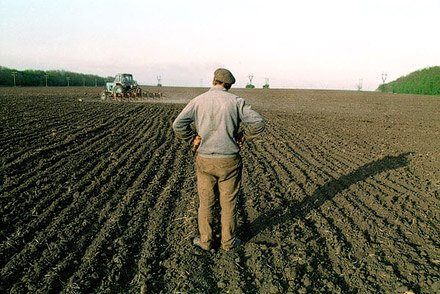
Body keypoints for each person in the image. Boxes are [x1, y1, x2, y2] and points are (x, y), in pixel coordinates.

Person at [172, 68, 265, 251]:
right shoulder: (236, 101)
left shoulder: (198, 101)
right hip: (229, 161)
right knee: (228, 203)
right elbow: (258, 123)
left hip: (205, 159)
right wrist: (244, 136)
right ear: (229, 85)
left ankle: (205, 242)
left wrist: (192, 137)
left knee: (205, 202)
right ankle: (228, 242)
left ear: (214, 80)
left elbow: (178, 124)